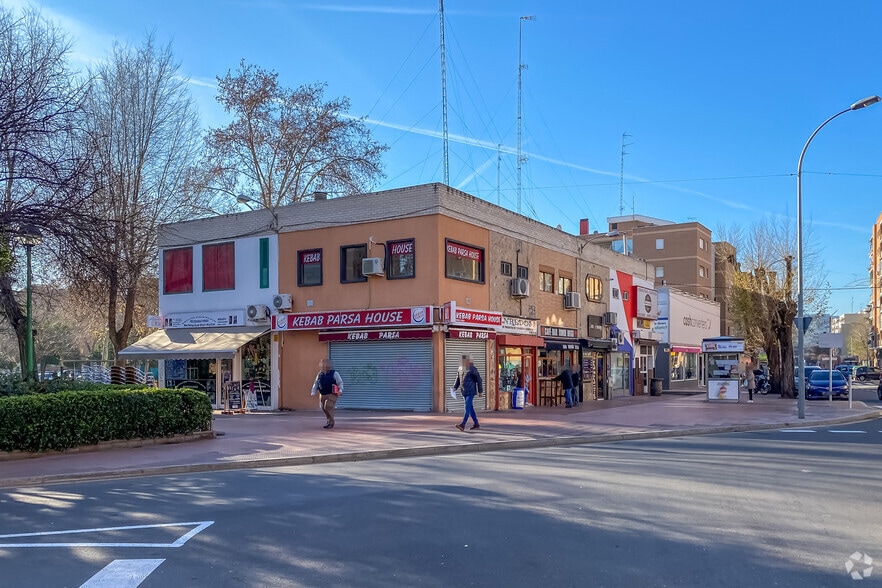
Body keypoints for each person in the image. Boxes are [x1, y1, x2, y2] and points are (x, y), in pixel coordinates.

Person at [452, 354, 483, 431]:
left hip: (471, 391)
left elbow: (479, 380)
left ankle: (463, 425)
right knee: (470, 408)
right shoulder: (460, 369)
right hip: (464, 391)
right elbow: (458, 379)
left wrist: (480, 391)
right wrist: (455, 387)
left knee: (466, 407)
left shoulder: (472, 369)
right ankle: (476, 424)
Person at [311, 359, 343, 429]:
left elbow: (340, 383)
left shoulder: (335, 373)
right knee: (323, 408)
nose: (325, 366)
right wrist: (313, 392)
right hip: (322, 394)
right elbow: (316, 383)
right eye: (323, 365)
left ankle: (331, 422)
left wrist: (340, 390)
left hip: (332, 393)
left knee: (328, 406)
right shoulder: (320, 374)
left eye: (326, 365)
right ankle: (329, 421)